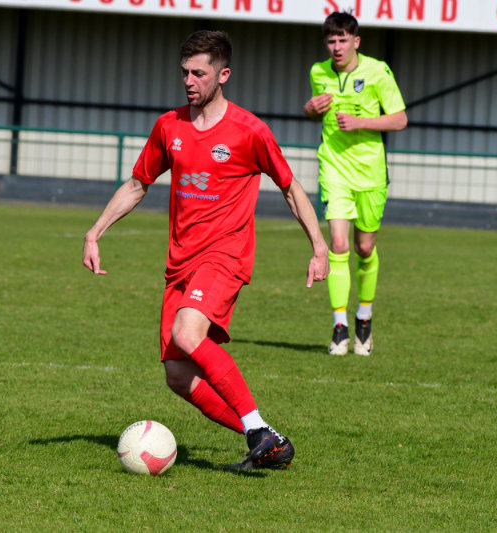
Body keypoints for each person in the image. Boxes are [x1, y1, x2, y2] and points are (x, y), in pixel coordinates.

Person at [83, 30, 329, 470]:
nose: (189, 81)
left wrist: (319, 246)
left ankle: (257, 429)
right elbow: (138, 184)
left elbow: (291, 189)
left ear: (223, 74)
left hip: (225, 254)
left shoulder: (249, 131)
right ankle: (267, 439)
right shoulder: (169, 126)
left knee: (187, 334)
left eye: (199, 73)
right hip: (180, 262)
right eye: (185, 72)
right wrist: (95, 232)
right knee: (178, 376)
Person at [303, 11, 407, 356]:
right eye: (331, 41)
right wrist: (310, 108)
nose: (336, 47)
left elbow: (400, 119)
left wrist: (361, 122)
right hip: (334, 168)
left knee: (364, 248)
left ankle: (364, 316)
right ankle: (340, 327)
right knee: (338, 244)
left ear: (356, 41)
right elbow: (314, 112)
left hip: (370, 172)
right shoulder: (319, 72)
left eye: (342, 40)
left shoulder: (378, 72)